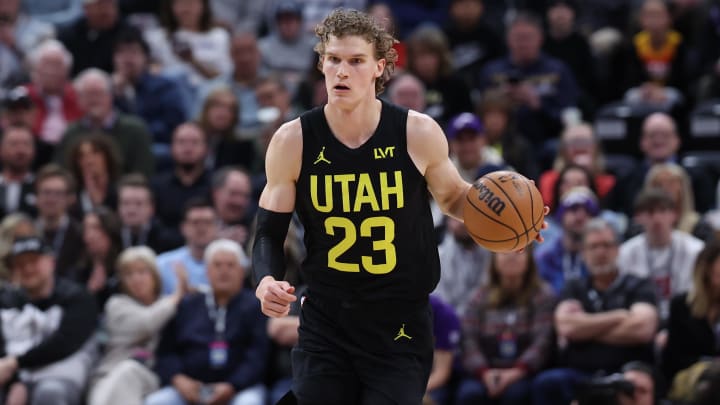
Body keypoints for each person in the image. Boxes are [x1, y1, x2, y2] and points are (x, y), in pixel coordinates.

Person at [252, 9, 546, 405]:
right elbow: (270, 230)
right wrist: (266, 279)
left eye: (355, 61)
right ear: (321, 63)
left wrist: (513, 225)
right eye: (334, 59)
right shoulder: (293, 140)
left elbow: (455, 197)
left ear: (379, 67)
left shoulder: (416, 132)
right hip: (327, 315)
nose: (342, 71)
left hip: (399, 320)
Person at [532, 218, 659, 405]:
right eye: (594, 247)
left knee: (637, 387)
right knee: (548, 383)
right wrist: (620, 316)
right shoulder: (574, 287)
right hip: (580, 372)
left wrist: (586, 328)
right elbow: (567, 328)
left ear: (618, 249)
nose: (601, 252)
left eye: (607, 245)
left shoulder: (639, 285)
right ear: (583, 253)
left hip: (627, 371)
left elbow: (642, 328)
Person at [147, 239, 268, 405]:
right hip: (190, 387)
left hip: (239, 388)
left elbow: (258, 355)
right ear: (207, 271)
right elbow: (166, 351)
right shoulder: (188, 305)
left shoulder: (255, 306)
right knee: (158, 402)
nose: (224, 271)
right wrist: (178, 379)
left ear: (242, 271)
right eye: (217, 265)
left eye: (230, 265)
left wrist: (233, 385)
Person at [0, 236, 98, 405]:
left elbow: (64, 343)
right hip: (16, 376)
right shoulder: (6, 302)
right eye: (20, 264)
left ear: (51, 262)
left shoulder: (77, 297)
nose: (28, 268)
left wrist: (16, 363)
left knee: (50, 393)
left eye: (33, 261)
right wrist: (16, 381)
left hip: (61, 375)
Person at [87, 246, 187, 405]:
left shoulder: (167, 303)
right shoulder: (117, 305)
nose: (136, 279)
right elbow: (146, 324)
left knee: (131, 371)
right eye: (129, 274)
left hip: (151, 379)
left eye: (142, 272)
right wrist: (178, 295)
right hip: (109, 377)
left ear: (155, 275)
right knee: (128, 371)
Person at [457, 246, 556, 405]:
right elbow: (468, 340)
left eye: (519, 252)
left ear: (529, 260)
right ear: (494, 261)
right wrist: (484, 372)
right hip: (484, 371)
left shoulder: (543, 296)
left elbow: (543, 342)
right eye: (504, 252)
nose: (511, 257)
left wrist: (517, 371)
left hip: (525, 372)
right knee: (470, 395)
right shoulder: (478, 297)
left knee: (516, 396)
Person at [56, 68, 154, 178]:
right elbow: (63, 174)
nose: (94, 100)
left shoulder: (135, 130)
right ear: (79, 100)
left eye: (98, 93)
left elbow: (143, 173)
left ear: (110, 96)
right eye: (88, 94)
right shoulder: (71, 132)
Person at [662, 239, 720, 402]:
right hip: (691, 376)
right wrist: (711, 363)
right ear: (707, 268)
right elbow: (673, 360)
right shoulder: (681, 305)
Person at [151, 122, 212, 231]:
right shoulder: (156, 186)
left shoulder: (216, 186)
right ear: (171, 147)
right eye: (181, 142)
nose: (188, 148)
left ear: (206, 148)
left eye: (195, 142)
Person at [156, 198, 219, 295]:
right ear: (183, 227)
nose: (201, 228)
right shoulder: (162, 264)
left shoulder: (231, 263)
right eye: (195, 222)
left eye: (207, 222)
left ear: (216, 227)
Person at [34, 164, 84, 278]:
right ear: (36, 197)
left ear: (71, 199)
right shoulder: (25, 231)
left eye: (58, 193)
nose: (51, 199)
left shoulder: (81, 234)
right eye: (46, 192)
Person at [58, 0, 129, 76]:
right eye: (101, 5)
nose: (106, 11)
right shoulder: (71, 34)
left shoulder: (128, 34)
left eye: (110, 4)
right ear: (86, 8)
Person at [117, 174, 180, 254]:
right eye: (126, 203)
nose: (131, 210)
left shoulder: (167, 241)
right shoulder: (111, 237)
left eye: (138, 204)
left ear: (152, 208)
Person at [0, 124, 37, 218]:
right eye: (14, 144)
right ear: (1, 149)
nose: (21, 150)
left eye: (26, 144)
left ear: (34, 150)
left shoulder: (40, 186)